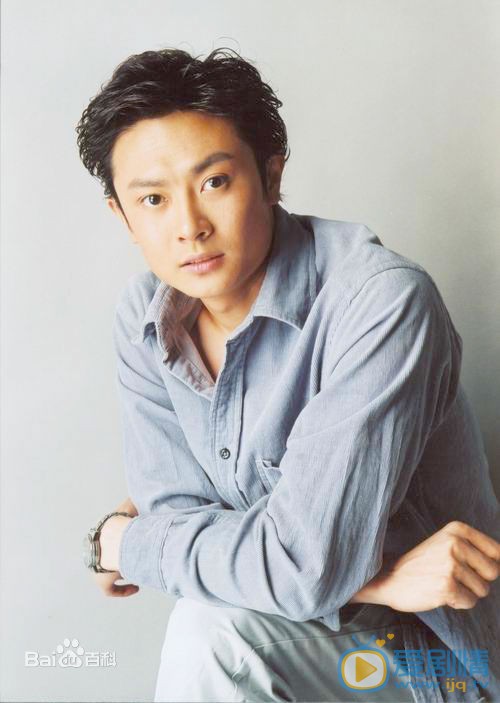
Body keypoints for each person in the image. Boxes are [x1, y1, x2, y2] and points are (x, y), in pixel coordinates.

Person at [77, 48, 500, 702]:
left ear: (270, 176)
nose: (189, 227)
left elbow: (295, 565)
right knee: (213, 620)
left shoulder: (381, 302)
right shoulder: (146, 318)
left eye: (215, 182)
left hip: (434, 662)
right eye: (153, 199)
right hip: (307, 630)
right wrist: (373, 577)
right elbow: (181, 517)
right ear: (123, 217)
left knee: (214, 634)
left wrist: (121, 542)